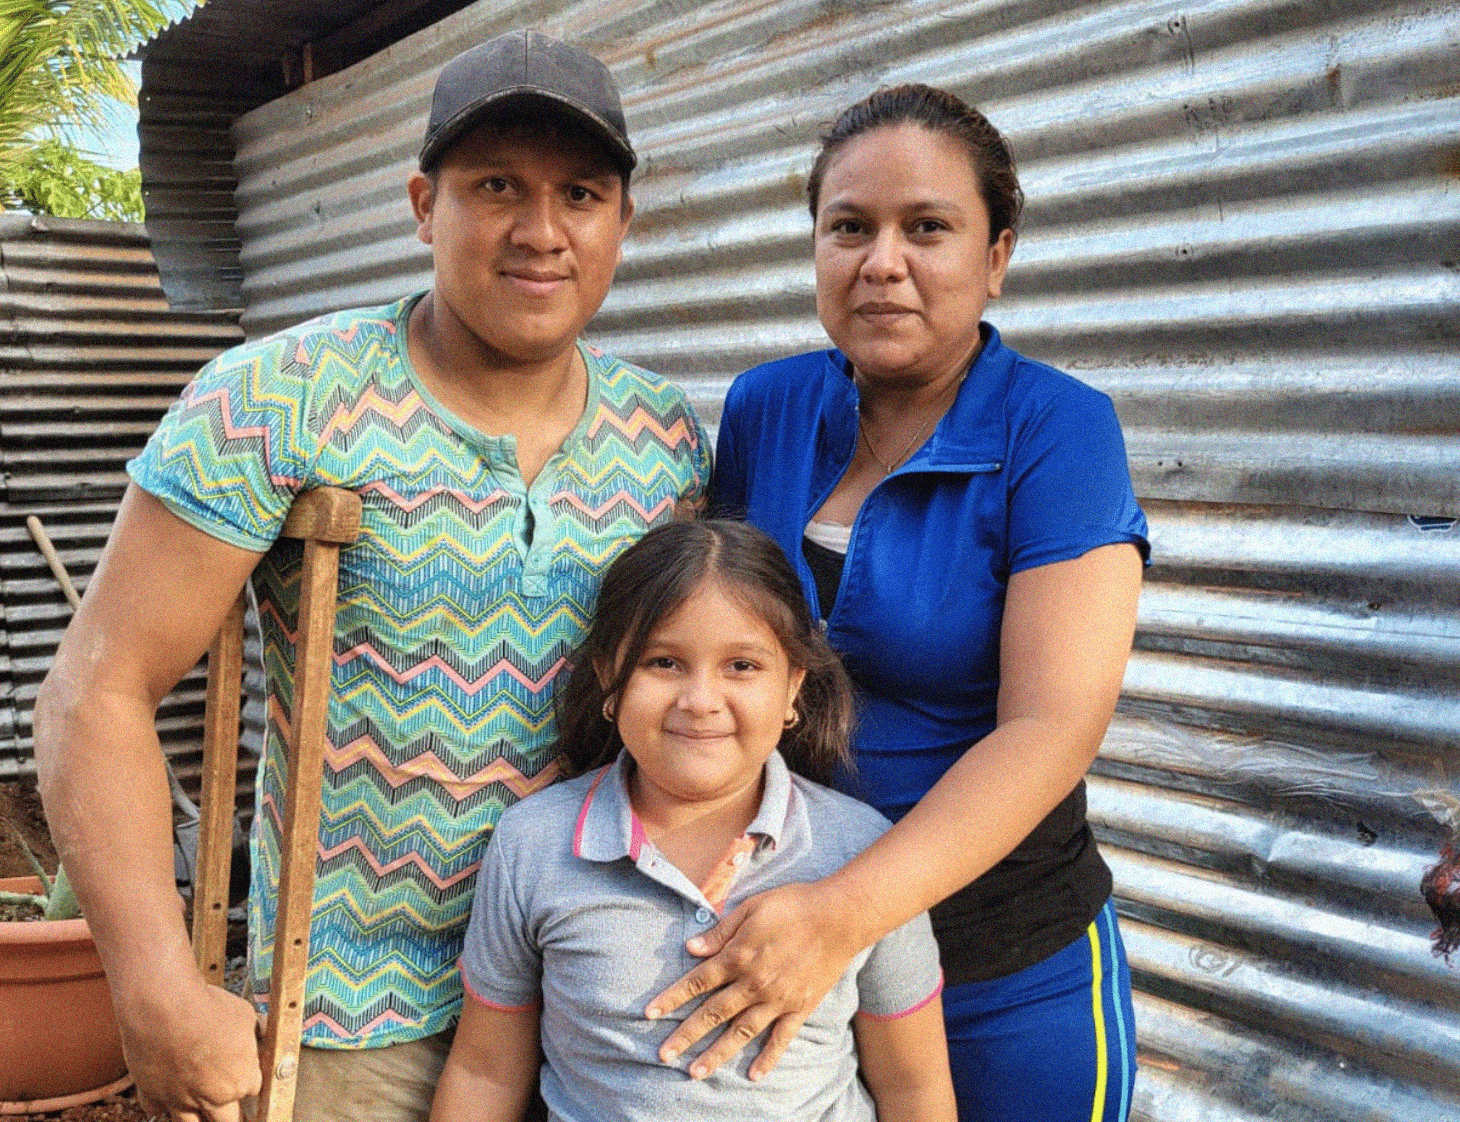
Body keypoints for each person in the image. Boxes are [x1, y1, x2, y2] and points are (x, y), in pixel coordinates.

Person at [32, 30, 710, 1122]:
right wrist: (157, 987)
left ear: (621, 223)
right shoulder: (281, 397)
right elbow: (94, 694)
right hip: (353, 1017)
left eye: (578, 194)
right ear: (419, 203)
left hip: (598, 996)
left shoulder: (664, 433)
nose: (540, 231)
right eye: (495, 186)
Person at [657, 85, 1149, 1121]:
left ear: (996, 256)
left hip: (1000, 963)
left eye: (927, 227)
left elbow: (1052, 724)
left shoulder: (1056, 431)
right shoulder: (766, 408)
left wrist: (842, 913)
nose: (882, 262)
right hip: (798, 956)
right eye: (849, 228)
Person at [431, 520, 956, 1122]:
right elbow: (485, 1074)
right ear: (609, 674)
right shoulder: (534, 844)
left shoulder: (864, 855)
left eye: (742, 666)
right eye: (664, 662)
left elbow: (914, 1089)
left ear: (793, 688)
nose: (700, 699)